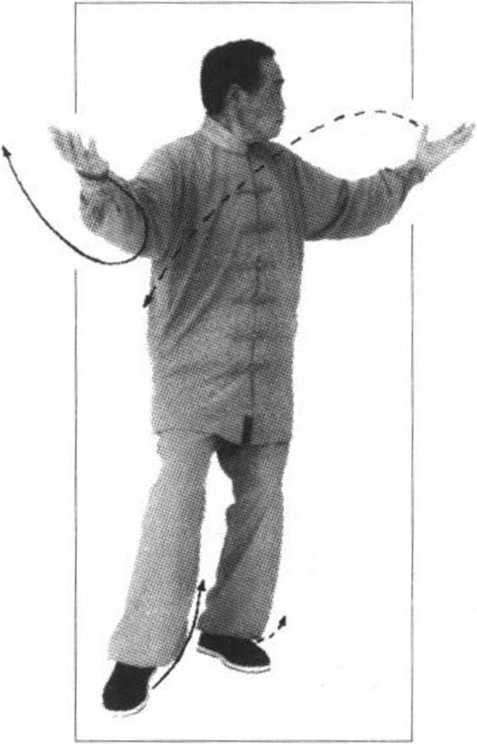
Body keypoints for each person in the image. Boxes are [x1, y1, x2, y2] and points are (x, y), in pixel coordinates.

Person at [50, 39, 474, 717]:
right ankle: (138, 653)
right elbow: (137, 226)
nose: (283, 101)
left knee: (263, 499)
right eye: (274, 87)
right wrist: (98, 182)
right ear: (236, 96)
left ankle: (230, 627)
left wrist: (416, 169)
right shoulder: (178, 163)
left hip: (267, 377)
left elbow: (350, 205)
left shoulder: (283, 169)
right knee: (176, 502)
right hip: (192, 373)